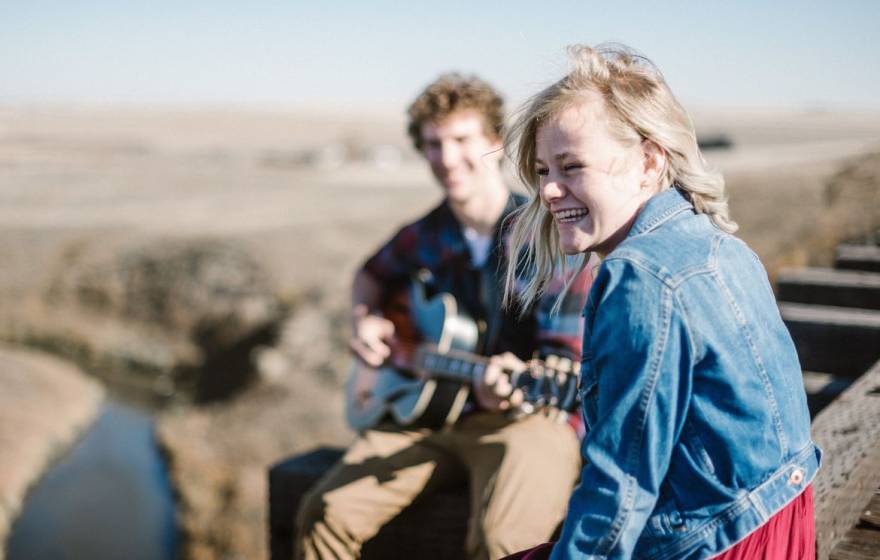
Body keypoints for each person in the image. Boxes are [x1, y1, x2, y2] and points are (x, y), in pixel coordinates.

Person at [502, 44, 821, 559]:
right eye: (542, 172)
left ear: (649, 163)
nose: (549, 191)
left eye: (571, 166)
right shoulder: (722, 245)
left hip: (715, 542)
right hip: (777, 524)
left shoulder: (639, 276)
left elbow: (621, 487)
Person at [294, 73, 592, 560]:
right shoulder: (425, 234)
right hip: (429, 417)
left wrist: (511, 385)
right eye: (433, 144)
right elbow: (369, 276)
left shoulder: (550, 238)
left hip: (527, 418)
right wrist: (365, 320)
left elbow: (562, 362)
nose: (447, 158)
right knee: (323, 513)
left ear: (495, 142)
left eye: (461, 140)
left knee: (506, 545)